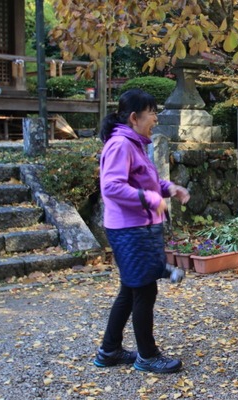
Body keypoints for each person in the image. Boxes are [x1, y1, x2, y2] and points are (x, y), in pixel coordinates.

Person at [93, 88, 190, 374]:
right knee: (144, 290)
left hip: (138, 228)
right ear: (135, 117)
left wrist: (168, 188)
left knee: (131, 288)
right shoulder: (121, 144)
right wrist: (150, 199)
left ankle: (109, 350)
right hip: (130, 229)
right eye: (152, 113)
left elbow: (145, 180)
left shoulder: (134, 143)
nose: (156, 119)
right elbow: (111, 186)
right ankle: (147, 356)